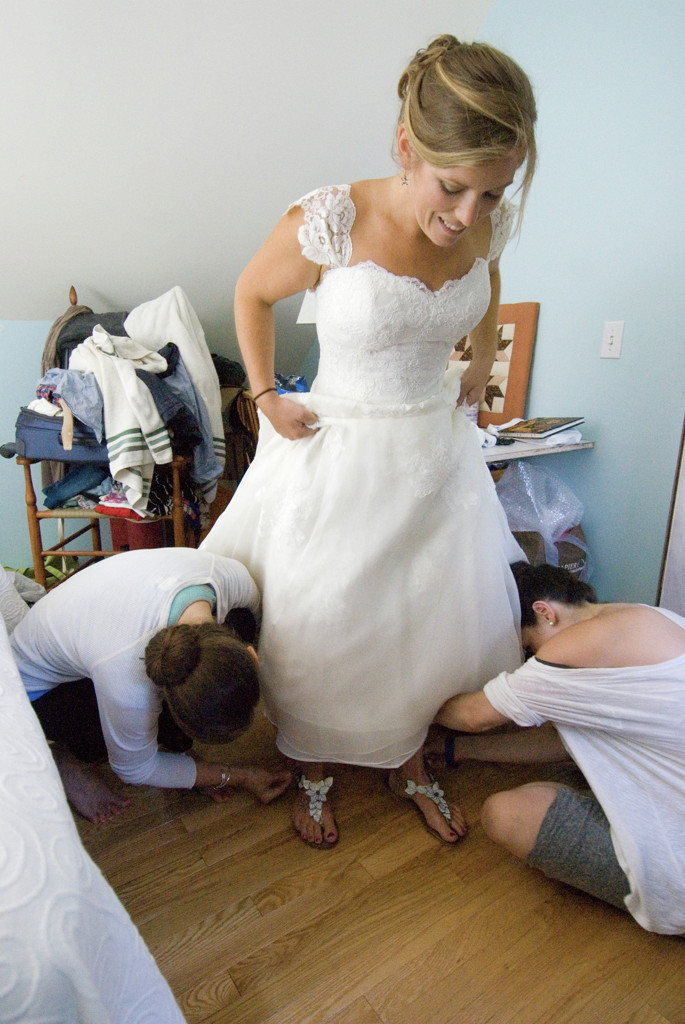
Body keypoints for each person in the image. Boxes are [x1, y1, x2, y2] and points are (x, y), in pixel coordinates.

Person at [200, 35, 537, 847]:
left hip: (434, 459)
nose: (468, 215)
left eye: (492, 194)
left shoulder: (483, 225)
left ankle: (408, 758)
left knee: (423, 622)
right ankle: (314, 765)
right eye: (452, 188)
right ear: (405, 147)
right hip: (337, 452)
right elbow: (250, 293)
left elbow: (487, 281)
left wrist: (478, 361)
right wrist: (264, 394)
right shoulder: (331, 218)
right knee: (324, 621)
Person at [434, 562, 685, 935]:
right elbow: (566, 740)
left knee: (505, 814)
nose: (529, 659)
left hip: (676, 877)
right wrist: (457, 749)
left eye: (528, 647)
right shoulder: (652, 616)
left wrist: (411, 701)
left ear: (545, 612)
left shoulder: (569, 651)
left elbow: (473, 715)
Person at [10, 547, 292, 823]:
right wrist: (239, 776)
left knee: (241, 623)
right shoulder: (126, 678)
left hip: (98, 628)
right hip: (28, 693)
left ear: (250, 654)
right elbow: (134, 769)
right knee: (101, 742)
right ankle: (59, 757)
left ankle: (181, 755)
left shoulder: (236, 581)